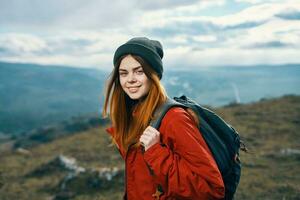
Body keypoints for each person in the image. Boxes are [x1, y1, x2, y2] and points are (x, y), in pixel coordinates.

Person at [102, 37, 225, 200]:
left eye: (139, 71)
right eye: (124, 73)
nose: (130, 79)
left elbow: (211, 190)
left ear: (154, 75)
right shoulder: (133, 117)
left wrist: (156, 152)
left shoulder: (175, 119)